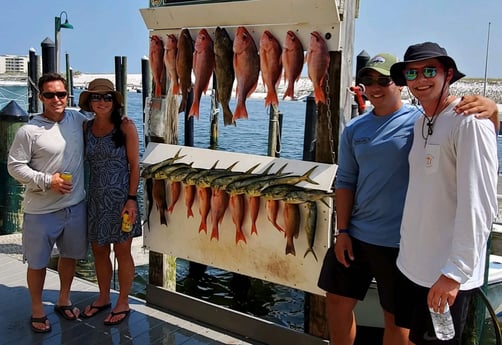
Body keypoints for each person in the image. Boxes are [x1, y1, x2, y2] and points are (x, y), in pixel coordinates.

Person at [317, 53, 499, 345]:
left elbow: (473, 135)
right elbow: (346, 182)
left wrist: (491, 110)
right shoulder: (354, 129)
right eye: (367, 79)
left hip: (400, 245)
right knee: (336, 302)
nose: (375, 86)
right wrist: (343, 231)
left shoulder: (421, 120)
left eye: (383, 79)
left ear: (398, 84)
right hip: (357, 235)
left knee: (398, 321)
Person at [390, 42, 498, 345]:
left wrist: (455, 273)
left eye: (429, 71)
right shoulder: (420, 120)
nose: (420, 79)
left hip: (445, 275)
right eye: (412, 72)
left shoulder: (470, 121)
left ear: (448, 74)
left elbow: (480, 204)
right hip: (412, 266)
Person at [7, 72, 89, 333]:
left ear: (68, 95)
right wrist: (46, 180)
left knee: (70, 256)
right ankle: (37, 309)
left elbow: (104, 125)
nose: (57, 99)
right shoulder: (28, 130)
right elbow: (14, 167)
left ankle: (64, 298)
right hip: (41, 210)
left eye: (61, 94)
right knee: (38, 263)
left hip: (75, 205)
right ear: (41, 97)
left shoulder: (78, 119)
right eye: (50, 94)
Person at [78, 78, 141, 326]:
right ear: (89, 102)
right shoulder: (86, 128)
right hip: (95, 198)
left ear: (114, 102)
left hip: (122, 200)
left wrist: (132, 199)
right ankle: (103, 297)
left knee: (122, 251)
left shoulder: (126, 127)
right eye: (96, 97)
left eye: (106, 97)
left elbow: (135, 165)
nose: (101, 102)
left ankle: (123, 301)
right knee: (99, 251)